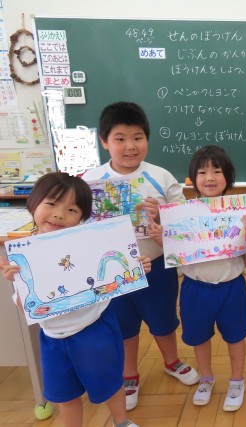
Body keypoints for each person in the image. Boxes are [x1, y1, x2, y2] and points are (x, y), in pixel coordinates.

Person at [0, 172, 150, 427]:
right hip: (52, 338)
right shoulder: (23, 254)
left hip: (94, 329)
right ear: (33, 204)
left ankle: (121, 421)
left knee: (110, 383)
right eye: (51, 204)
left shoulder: (90, 241)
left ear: (81, 217)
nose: (59, 214)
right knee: (65, 394)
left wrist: (137, 267)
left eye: (71, 209)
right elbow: (28, 309)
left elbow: (118, 268)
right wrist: (15, 283)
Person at [82, 102, 199, 411]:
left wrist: (162, 214)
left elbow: (184, 220)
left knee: (163, 320)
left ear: (147, 139)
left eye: (138, 137)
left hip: (157, 266)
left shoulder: (160, 176)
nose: (130, 146)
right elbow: (79, 222)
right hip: (113, 271)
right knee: (124, 325)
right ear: (104, 141)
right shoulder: (91, 181)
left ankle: (171, 361)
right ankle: (129, 374)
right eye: (120, 138)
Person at [148, 145, 246, 410]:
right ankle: (206, 377)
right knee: (198, 337)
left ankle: (237, 380)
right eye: (202, 172)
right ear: (192, 179)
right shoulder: (181, 214)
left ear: (228, 177)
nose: (210, 177)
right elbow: (177, 251)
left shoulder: (238, 211)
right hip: (195, 288)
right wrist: (162, 240)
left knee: (236, 336)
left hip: (231, 286)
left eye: (217, 171)